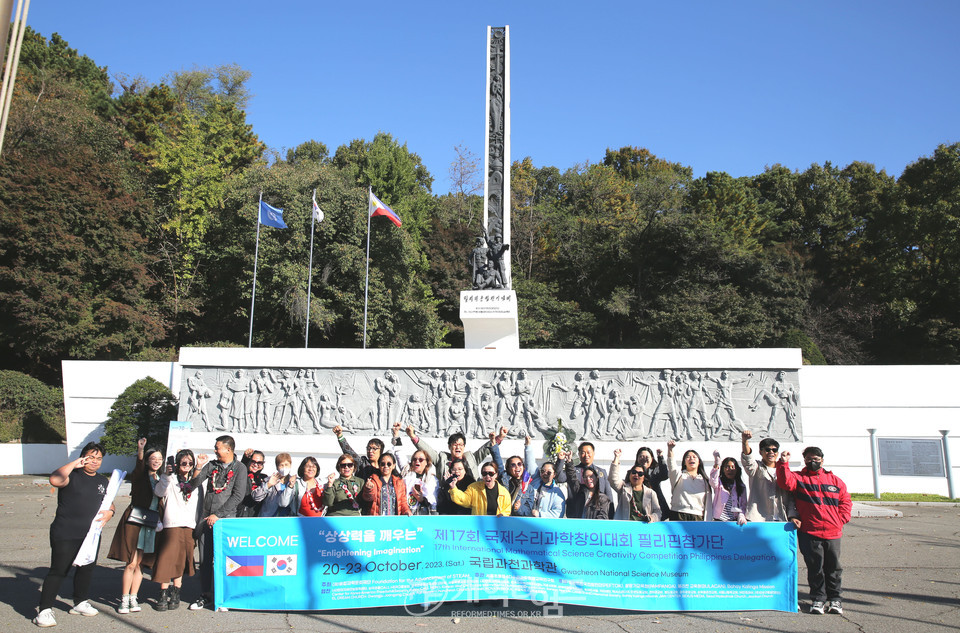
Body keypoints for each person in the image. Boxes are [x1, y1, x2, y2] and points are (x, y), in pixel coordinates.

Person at [34, 442, 115, 628]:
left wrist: (111, 512)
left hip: (90, 535)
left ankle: (79, 602)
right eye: (91, 457)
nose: (94, 461)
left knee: (86, 569)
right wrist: (74, 464)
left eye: (98, 458)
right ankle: (44, 610)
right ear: (83, 457)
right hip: (65, 532)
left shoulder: (103, 481)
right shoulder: (71, 476)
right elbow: (55, 480)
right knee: (58, 570)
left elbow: (109, 503)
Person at [777, 447, 852, 615]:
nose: (813, 461)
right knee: (815, 567)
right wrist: (783, 463)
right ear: (804, 461)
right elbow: (785, 482)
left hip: (833, 532)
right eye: (809, 458)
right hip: (809, 532)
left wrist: (841, 519)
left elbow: (845, 501)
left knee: (833, 568)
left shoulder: (835, 480)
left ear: (822, 460)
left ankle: (835, 600)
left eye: (816, 458)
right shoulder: (800, 479)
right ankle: (818, 599)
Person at [187, 435, 247, 611]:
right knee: (205, 560)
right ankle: (206, 594)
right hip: (207, 518)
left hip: (225, 521)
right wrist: (198, 467)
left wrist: (218, 514)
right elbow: (194, 483)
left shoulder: (240, 468)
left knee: (227, 561)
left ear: (228, 449)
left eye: (217, 447)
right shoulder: (212, 465)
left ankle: (225, 596)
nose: (215, 450)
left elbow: (238, 496)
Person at [108, 438, 162, 615]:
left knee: (141, 563)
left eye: (159, 459)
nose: (156, 462)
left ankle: (134, 596)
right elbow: (138, 467)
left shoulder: (161, 479)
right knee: (131, 562)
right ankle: (124, 599)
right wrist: (140, 450)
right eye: (153, 458)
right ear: (147, 460)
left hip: (151, 523)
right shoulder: (141, 475)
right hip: (136, 521)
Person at [151, 449, 200, 612]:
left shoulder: (195, 481)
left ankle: (176, 592)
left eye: (190, 463)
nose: (187, 466)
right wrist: (165, 475)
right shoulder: (171, 479)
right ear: (178, 464)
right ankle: (163, 592)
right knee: (167, 559)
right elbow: (159, 492)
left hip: (189, 525)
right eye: (184, 463)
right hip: (172, 524)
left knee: (182, 560)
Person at [740, 431, 797, 522]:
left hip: (782, 519)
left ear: (777, 453)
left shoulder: (784, 470)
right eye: (767, 450)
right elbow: (748, 460)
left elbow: (790, 496)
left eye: (774, 450)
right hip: (759, 518)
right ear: (760, 452)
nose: (771, 452)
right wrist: (745, 441)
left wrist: (793, 516)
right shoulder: (756, 467)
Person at [408, 426, 498, 480]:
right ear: (449, 447)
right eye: (455, 445)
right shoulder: (442, 459)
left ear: (464, 446)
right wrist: (412, 436)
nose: (458, 447)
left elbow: (485, 450)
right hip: (448, 500)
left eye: (461, 445)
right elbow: (427, 450)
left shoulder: (470, 458)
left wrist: (498, 438)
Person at [555, 441, 614, 517]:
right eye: (583, 452)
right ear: (579, 454)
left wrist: (612, 515)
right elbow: (560, 478)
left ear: (593, 453)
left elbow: (608, 494)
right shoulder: (572, 471)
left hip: (596, 515)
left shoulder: (601, 472)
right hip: (576, 514)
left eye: (589, 452)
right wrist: (560, 460)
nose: (586, 455)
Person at [610, 449, 661, 522]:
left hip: (644, 528)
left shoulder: (650, 493)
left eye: (640, 474)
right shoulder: (623, 488)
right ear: (630, 474)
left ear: (644, 477)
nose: (636, 475)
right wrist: (616, 458)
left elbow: (658, 512)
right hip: (625, 527)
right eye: (634, 472)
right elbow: (613, 478)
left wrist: (652, 517)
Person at [490, 434, 536, 514]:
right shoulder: (503, 477)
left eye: (519, 464)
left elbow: (528, 510)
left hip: (516, 522)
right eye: (513, 465)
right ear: (508, 468)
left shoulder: (529, 488)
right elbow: (498, 462)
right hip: (501, 518)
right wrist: (494, 445)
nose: (517, 467)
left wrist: (519, 508)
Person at [666, 440, 711, 521]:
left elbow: (708, 503)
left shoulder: (704, 480)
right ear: (684, 462)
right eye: (688, 457)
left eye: (694, 457)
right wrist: (670, 449)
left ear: (699, 461)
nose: (691, 458)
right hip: (678, 513)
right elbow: (671, 465)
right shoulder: (679, 476)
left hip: (697, 516)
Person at [709, 450, 747, 524]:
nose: (730, 470)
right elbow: (713, 482)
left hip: (734, 520)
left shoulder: (741, 486)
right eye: (727, 467)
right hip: (719, 519)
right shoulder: (719, 482)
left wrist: (741, 515)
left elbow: (743, 504)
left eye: (733, 467)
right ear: (723, 469)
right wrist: (717, 465)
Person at [635, 446, 671, 520]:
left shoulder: (655, 472)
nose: (644, 459)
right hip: (638, 510)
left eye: (646, 457)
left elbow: (665, 475)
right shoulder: (632, 473)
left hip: (656, 510)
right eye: (641, 456)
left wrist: (660, 457)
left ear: (652, 459)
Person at [400, 449, 439, 515]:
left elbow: (433, 501)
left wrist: (422, 499)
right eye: (414, 459)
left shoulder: (432, 479)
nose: (417, 461)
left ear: (426, 462)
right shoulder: (406, 477)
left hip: (425, 514)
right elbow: (400, 458)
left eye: (421, 459)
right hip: (408, 513)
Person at [259, 452, 296, 517]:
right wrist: (268, 485)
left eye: (286, 465)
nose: (284, 467)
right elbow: (256, 497)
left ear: (290, 465)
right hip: (270, 518)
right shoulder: (268, 480)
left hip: (288, 519)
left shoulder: (295, 482)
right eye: (281, 465)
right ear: (277, 467)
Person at [237, 449, 269, 517]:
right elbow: (241, 468)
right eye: (253, 462)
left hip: (259, 515)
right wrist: (245, 458)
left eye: (259, 463)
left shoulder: (264, 478)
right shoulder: (243, 475)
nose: (256, 465)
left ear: (263, 464)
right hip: (243, 515)